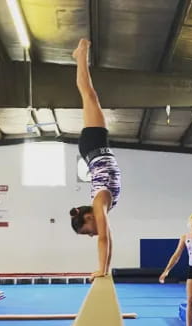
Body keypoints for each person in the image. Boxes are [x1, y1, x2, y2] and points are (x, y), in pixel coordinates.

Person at [69, 39, 121, 281]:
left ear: (89, 218)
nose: (92, 235)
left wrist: (102, 269)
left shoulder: (100, 202)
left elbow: (104, 237)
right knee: (89, 96)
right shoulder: (102, 205)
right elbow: (106, 236)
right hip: (95, 148)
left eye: (86, 232)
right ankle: (80, 55)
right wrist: (104, 269)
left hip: (95, 145)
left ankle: (81, 54)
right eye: (88, 235)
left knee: (89, 95)